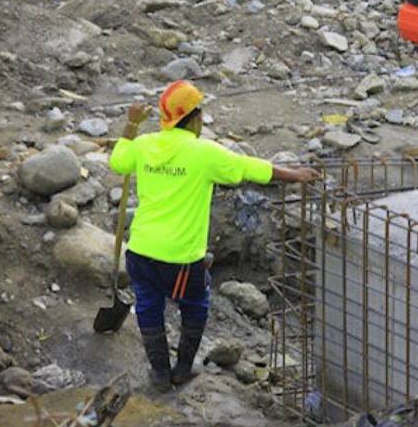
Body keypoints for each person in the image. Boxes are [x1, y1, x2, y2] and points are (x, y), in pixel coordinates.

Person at [109, 80, 319, 390]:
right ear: (192, 117)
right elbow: (248, 167)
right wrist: (295, 175)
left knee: (148, 306)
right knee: (195, 304)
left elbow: (117, 161)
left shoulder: (144, 144)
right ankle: (182, 369)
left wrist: (131, 124)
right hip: (180, 257)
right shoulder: (203, 152)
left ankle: (159, 373)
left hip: (141, 250)